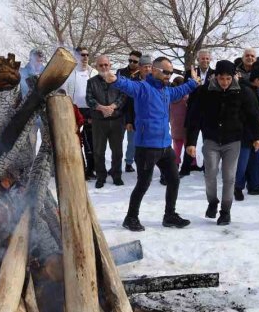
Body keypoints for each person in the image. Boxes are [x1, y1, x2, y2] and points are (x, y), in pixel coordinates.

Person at [104, 56, 200, 231]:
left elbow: (180, 91)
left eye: (170, 73)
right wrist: (115, 80)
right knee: (143, 183)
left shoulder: (166, 90)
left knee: (174, 180)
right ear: (154, 70)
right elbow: (128, 86)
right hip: (146, 146)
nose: (168, 76)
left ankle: (169, 215)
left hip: (165, 146)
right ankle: (130, 217)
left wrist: (193, 83)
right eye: (165, 72)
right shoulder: (143, 88)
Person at [185, 59, 259, 225]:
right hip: (211, 139)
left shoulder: (243, 91)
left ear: (234, 76)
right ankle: (212, 202)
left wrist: (258, 137)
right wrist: (191, 142)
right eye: (222, 79)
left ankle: (225, 211)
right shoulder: (205, 91)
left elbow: (252, 116)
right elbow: (194, 117)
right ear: (215, 77)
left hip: (233, 140)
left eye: (228, 79)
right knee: (210, 173)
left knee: (229, 177)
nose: (225, 82)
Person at [86, 55, 128, 188]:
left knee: (117, 151)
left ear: (110, 65)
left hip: (116, 121)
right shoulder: (91, 82)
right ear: (96, 67)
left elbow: (123, 96)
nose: (104, 67)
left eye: (106, 65)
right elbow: (89, 99)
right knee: (98, 151)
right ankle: (101, 176)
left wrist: (112, 107)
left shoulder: (118, 80)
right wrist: (101, 108)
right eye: (101, 65)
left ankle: (116, 175)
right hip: (99, 122)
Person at [234, 69, 259, 198]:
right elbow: (251, 114)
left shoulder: (254, 90)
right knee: (242, 163)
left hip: (253, 132)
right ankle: (237, 187)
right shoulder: (247, 91)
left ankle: (255, 185)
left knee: (257, 158)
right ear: (256, 80)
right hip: (246, 133)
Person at [179, 49, 214, 176]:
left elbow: (213, 92)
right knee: (190, 140)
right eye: (202, 58)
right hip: (194, 111)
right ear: (198, 60)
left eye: (207, 58)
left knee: (209, 142)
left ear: (210, 60)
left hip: (209, 113)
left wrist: (200, 86)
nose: (205, 60)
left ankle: (207, 167)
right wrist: (195, 83)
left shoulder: (215, 74)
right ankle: (186, 168)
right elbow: (187, 91)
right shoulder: (189, 73)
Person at [62, 47, 94, 178]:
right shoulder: (69, 74)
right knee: (75, 141)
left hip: (91, 111)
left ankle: (90, 169)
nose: (85, 57)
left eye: (87, 55)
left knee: (90, 142)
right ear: (76, 56)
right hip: (74, 110)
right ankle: (79, 168)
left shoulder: (94, 72)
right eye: (82, 55)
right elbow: (64, 93)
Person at [118, 51, 145, 173]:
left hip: (133, 111)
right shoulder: (121, 73)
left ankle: (129, 162)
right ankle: (116, 165)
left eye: (135, 61)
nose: (132, 63)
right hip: (119, 111)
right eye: (130, 60)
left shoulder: (141, 75)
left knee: (132, 141)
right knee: (117, 141)